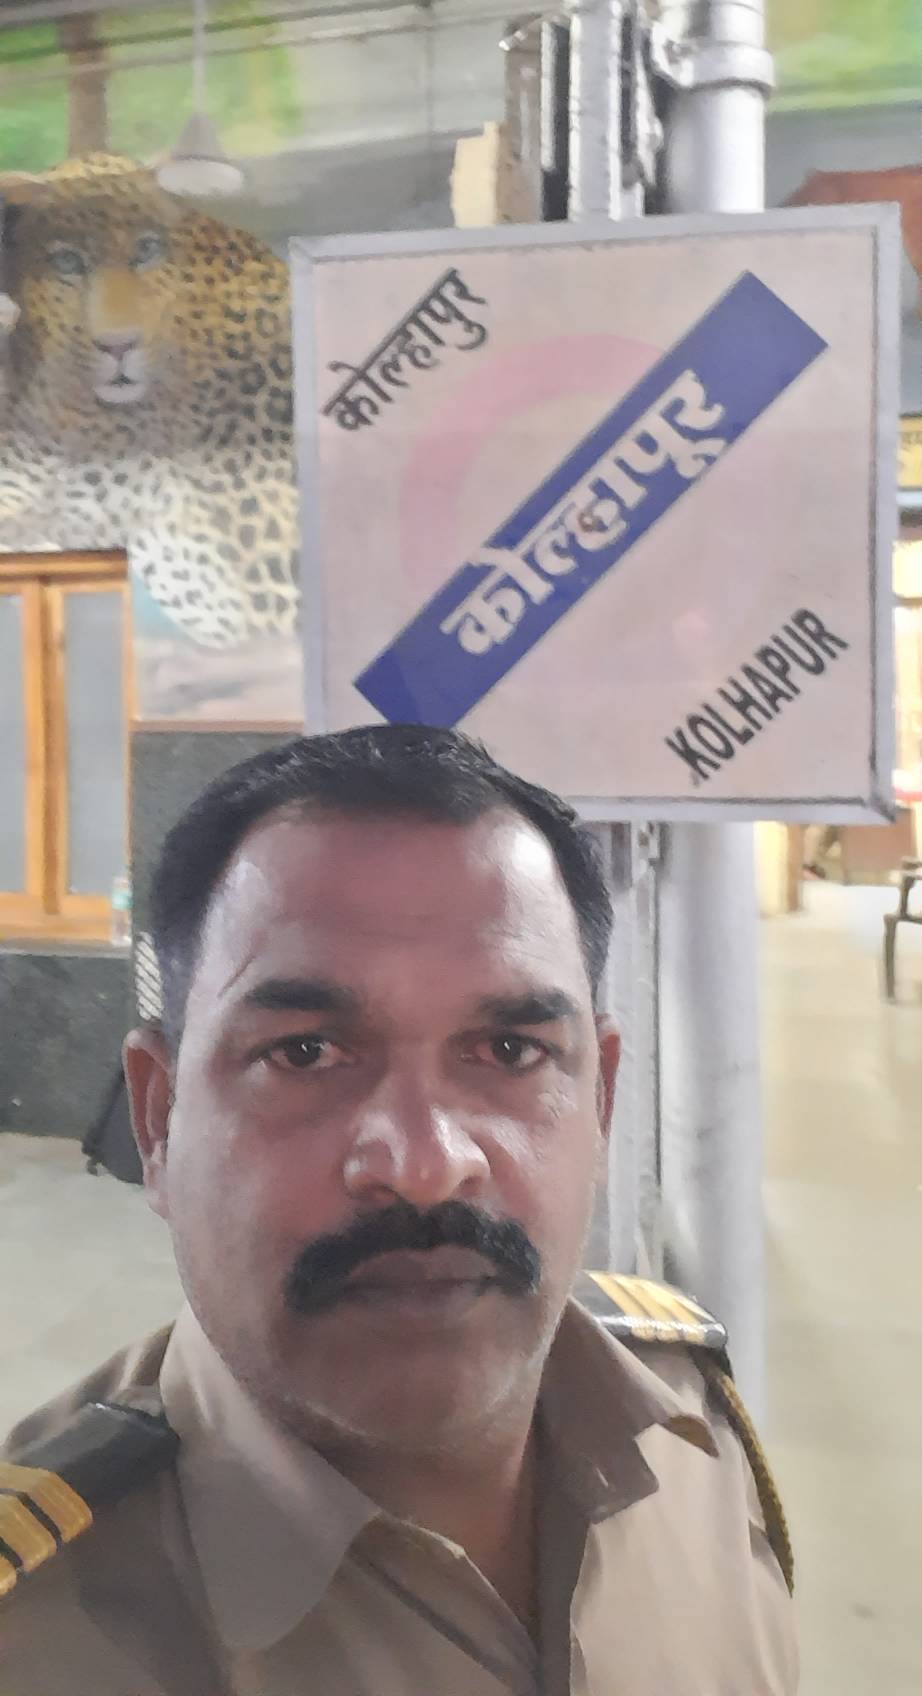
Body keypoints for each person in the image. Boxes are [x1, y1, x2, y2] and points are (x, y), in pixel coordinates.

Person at [0, 725, 797, 1694]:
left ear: (600, 1102)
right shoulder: (31, 1636)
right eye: (304, 1052)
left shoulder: (696, 1430)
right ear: (158, 1118)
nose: (425, 1166)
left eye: (510, 1051)